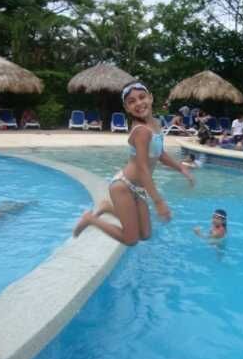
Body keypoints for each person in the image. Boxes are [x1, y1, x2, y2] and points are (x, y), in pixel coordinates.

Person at [73, 81, 194, 245]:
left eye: (142, 97)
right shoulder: (141, 131)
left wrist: (181, 168)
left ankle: (108, 208)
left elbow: (160, 154)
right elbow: (143, 168)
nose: (138, 103)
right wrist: (158, 201)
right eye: (132, 101)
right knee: (131, 240)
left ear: (151, 98)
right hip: (124, 186)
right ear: (127, 108)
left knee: (145, 234)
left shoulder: (155, 124)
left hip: (139, 187)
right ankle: (90, 219)